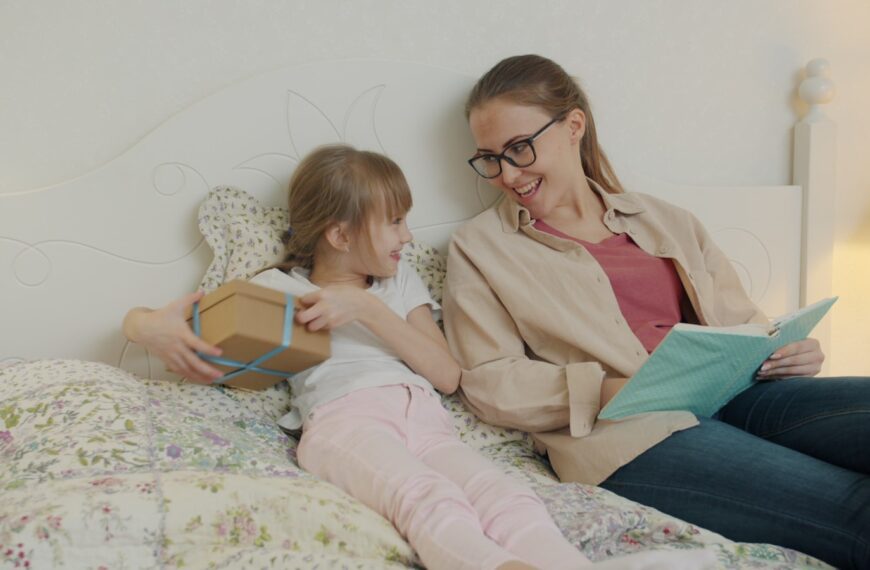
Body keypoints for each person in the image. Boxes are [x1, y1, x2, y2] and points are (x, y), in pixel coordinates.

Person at [124, 144, 712, 570]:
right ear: (340, 234)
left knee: (506, 496)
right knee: (429, 498)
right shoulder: (282, 291)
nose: (409, 236)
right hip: (345, 421)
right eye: (396, 222)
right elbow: (156, 323)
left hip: (424, 418)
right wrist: (148, 326)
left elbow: (447, 373)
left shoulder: (397, 286)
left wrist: (366, 310)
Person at [442, 53, 870, 570]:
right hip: (633, 431)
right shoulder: (480, 247)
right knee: (855, 510)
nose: (507, 174)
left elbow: (745, 322)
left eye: (520, 149)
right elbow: (489, 381)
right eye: (490, 158)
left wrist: (789, 349)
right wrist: (601, 388)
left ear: (573, 126)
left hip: (738, 393)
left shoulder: (665, 219)